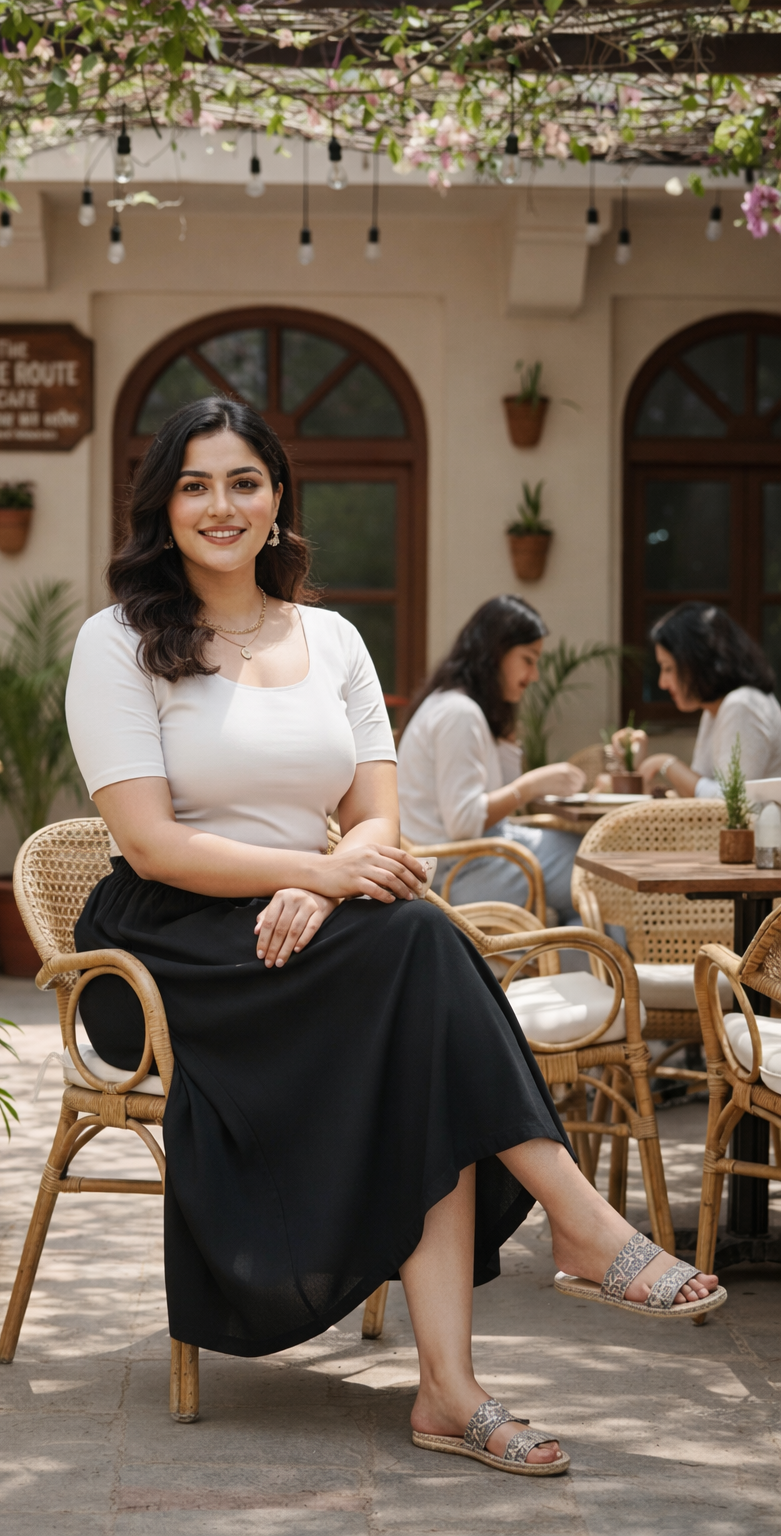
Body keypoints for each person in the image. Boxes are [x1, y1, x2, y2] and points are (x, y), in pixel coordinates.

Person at [64, 397, 721, 1478]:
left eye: (243, 482)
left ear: (278, 498)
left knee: (415, 989)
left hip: (313, 926)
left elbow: (379, 818)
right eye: (194, 485)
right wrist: (317, 872)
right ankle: (574, 1229)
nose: (221, 505)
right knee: (418, 951)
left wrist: (326, 889)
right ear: (163, 507)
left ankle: (452, 1386)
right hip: (169, 944)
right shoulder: (118, 640)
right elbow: (150, 843)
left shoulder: (331, 639)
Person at [396, 596, 586, 920]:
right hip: (462, 871)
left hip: (473, 859)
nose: (534, 675)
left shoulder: (457, 705)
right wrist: (531, 786)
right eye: (528, 660)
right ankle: (609, 952)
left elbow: (496, 798)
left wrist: (504, 730)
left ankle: (584, 947)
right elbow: (464, 822)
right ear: (497, 654)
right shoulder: (459, 713)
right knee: (593, 865)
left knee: (584, 860)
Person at [616, 603, 781, 794]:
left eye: (668, 668)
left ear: (698, 662)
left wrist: (666, 764)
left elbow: (732, 801)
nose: (662, 683)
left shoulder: (742, 704)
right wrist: (637, 766)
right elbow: (698, 792)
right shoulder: (714, 710)